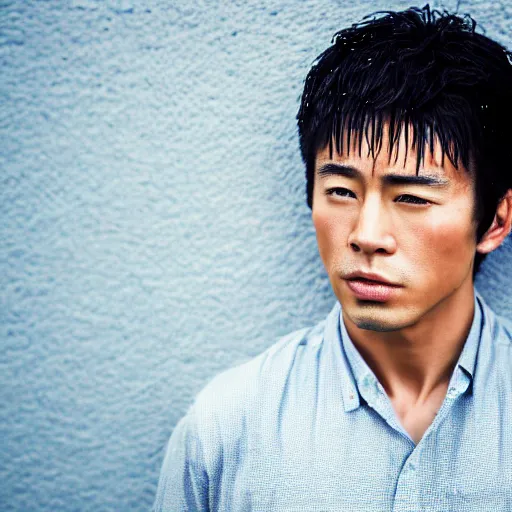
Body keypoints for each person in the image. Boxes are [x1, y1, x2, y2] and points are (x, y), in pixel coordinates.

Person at [153, 5, 512, 511]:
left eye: (411, 197)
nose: (366, 236)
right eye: (342, 191)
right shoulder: (227, 425)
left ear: (495, 220)